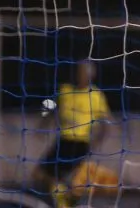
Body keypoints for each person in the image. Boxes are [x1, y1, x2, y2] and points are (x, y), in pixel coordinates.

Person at [33, 60, 114, 207]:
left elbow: (106, 122)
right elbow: (49, 105)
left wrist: (97, 142)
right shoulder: (64, 90)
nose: (83, 76)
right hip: (63, 141)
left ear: (92, 76)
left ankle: (65, 201)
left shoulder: (95, 95)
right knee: (40, 174)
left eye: (87, 73)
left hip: (80, 143)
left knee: (62, 177)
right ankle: (65, 200)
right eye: (80, 72)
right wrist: (42, 123)